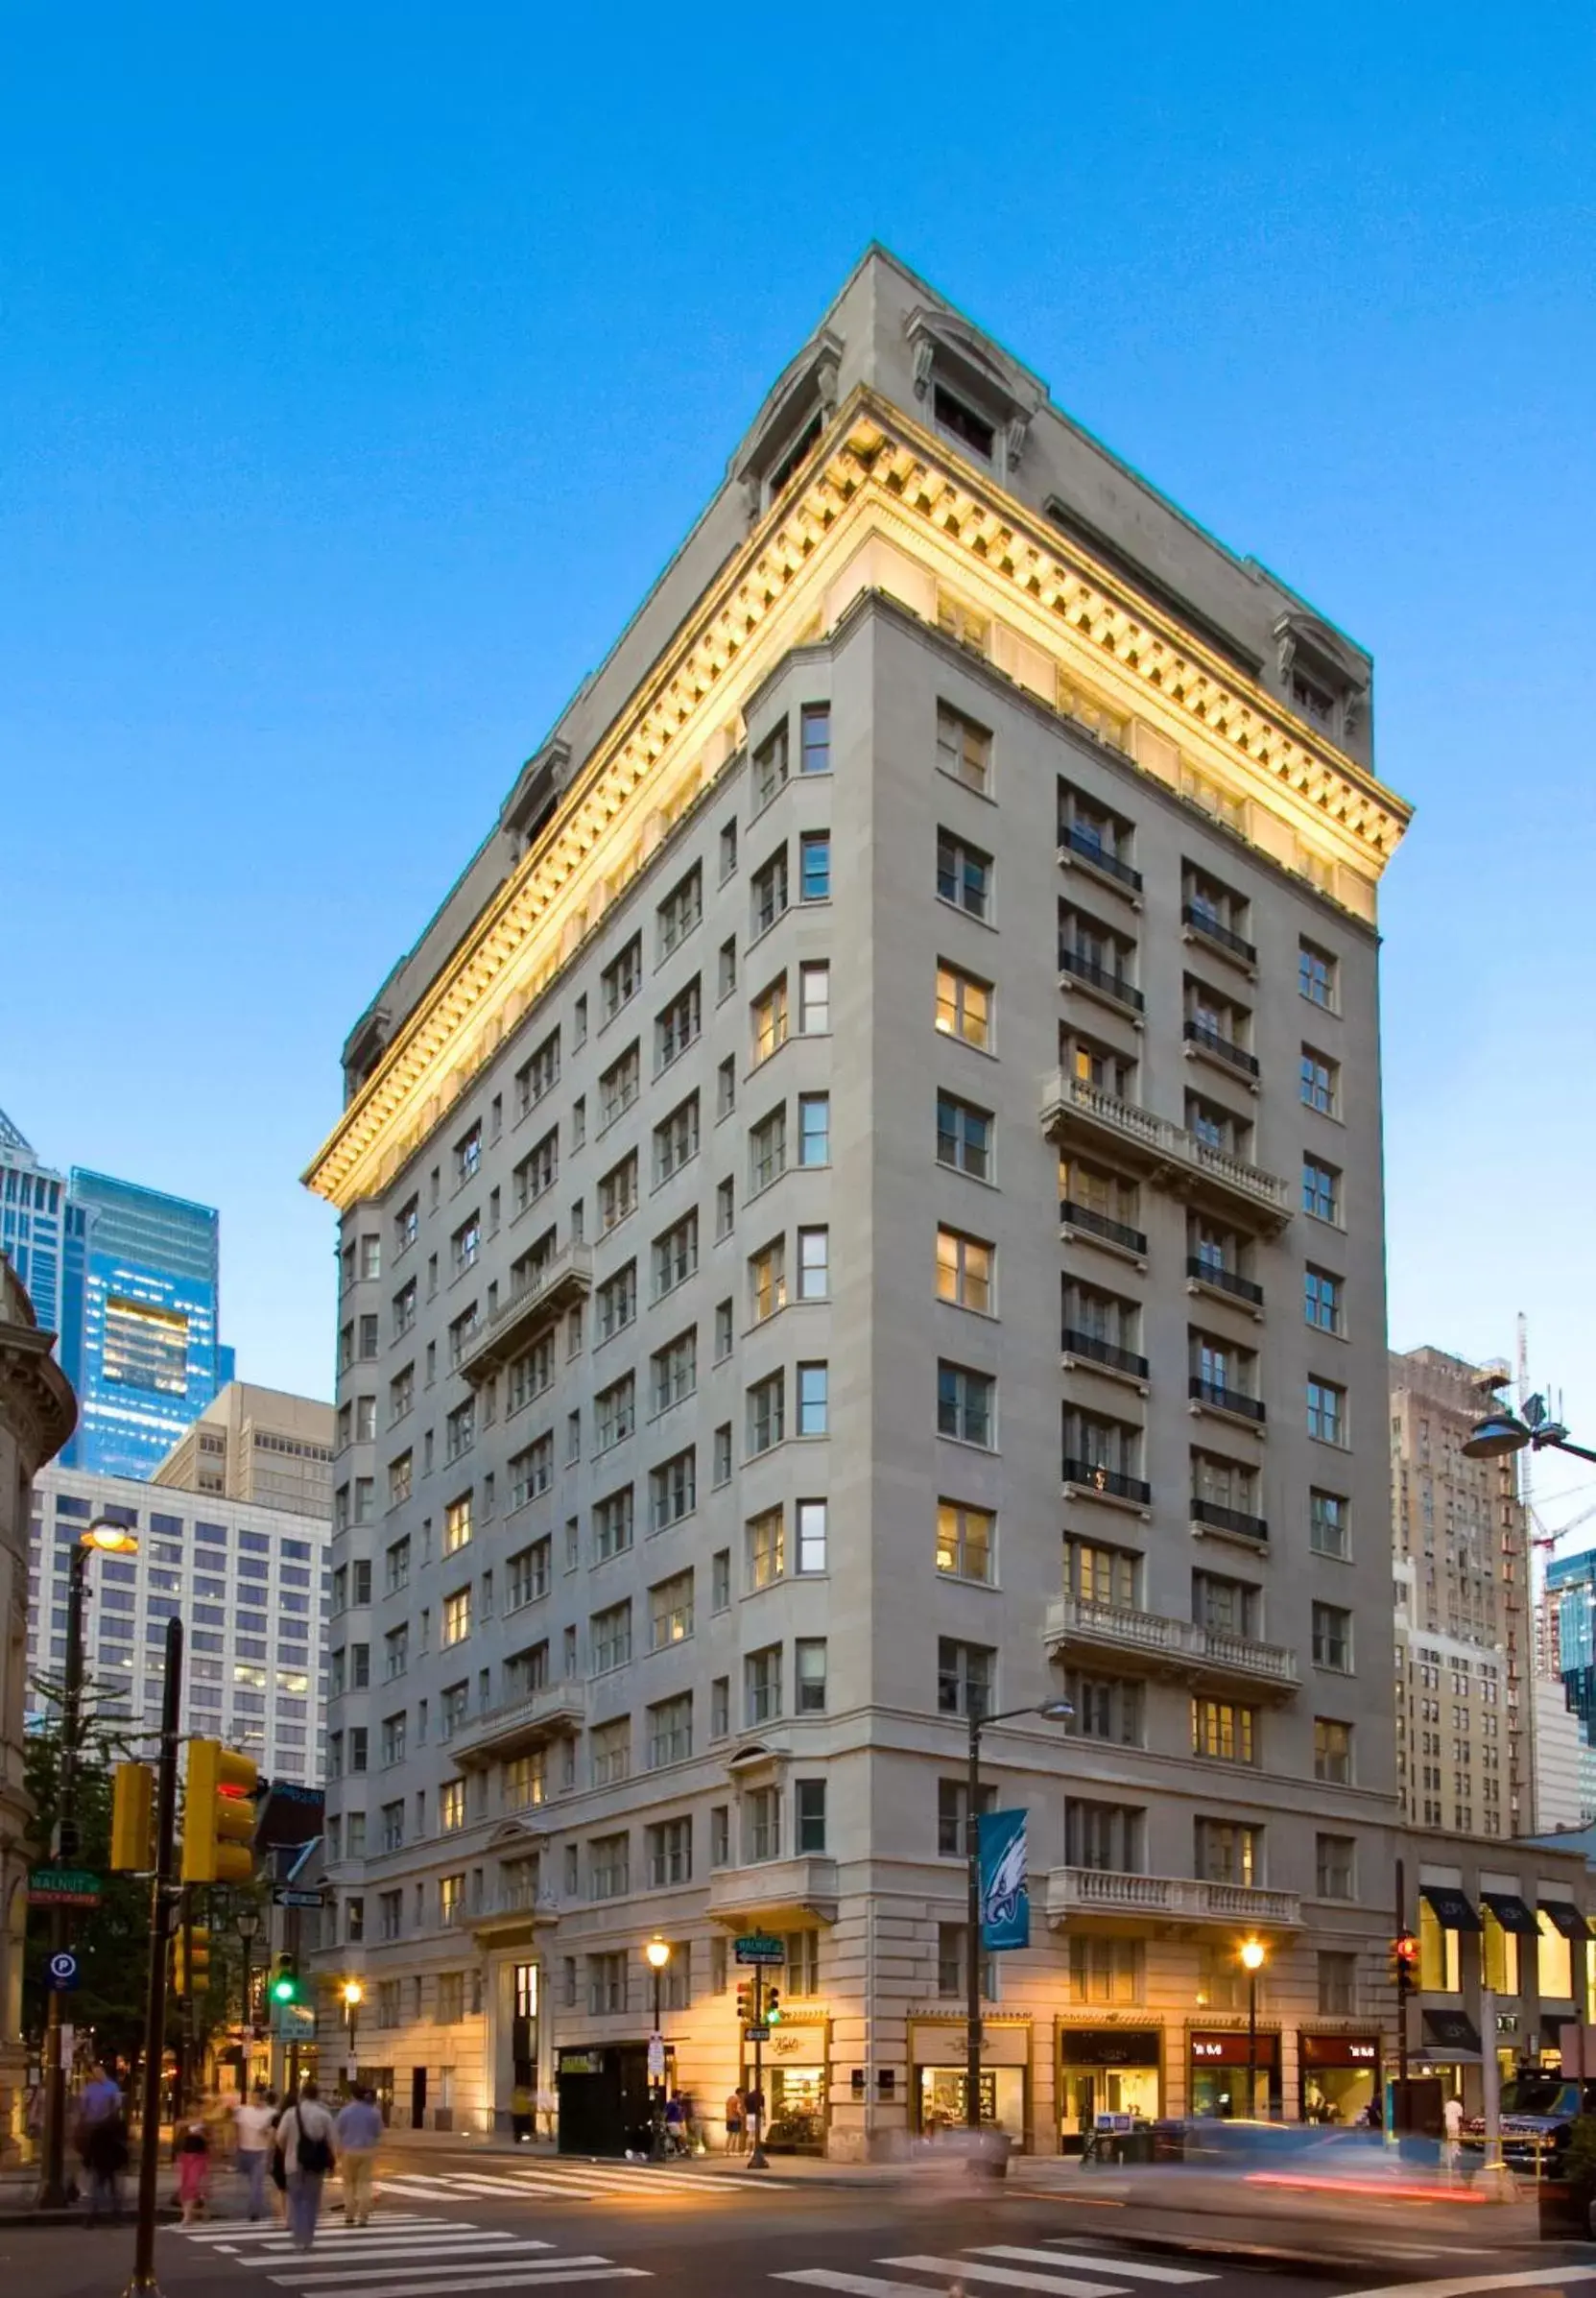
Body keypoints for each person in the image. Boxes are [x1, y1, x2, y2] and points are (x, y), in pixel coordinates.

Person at [277, 2081, 336, 2250]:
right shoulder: (324, 2115)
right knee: (312, 2200)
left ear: (302, 2095)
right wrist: (334, 2163)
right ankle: (307, 2238)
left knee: (295, 2199)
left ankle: (298, 2234)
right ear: (317, 2095)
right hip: (316, 2165)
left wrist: (287, 2151)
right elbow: (332, 2141)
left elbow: (280, 2138)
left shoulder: (290, 2113)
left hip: (293, 2163)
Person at [335, 2086, 383, 2227]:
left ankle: (349, 2214)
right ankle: (363, 2217)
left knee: (349, 2184)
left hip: (349, 2150)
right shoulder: (374, 2112)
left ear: (353, 2096)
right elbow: (378, 2132)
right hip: (367, 2150)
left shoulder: (345, 2111)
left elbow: (339, 2130)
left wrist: (338, 2149)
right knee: (365, 2184)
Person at [82, 2105, 129, 2223]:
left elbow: (90, 2149)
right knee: (113, 2190)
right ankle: (115, 2212)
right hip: (111, 2164)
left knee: (97, 2188)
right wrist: (123, 2162)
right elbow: (120, 2149)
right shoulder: (115, 2132)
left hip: (100, 2163)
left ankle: (94, 2213)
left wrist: (87, 2162)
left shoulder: (97, 2132)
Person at [235, 2086, 276, 2221]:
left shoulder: (271, 2113)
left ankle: (254, 2211)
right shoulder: (243, 2111)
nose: (256, 2100)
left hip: (261, 2151)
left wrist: (269, 2153)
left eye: (259, 2097)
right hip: (245, 2150)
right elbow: (237, 2129)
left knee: (256, 2183)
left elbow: (274, 2134)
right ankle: (255, 2205)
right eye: (254, 2097)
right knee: (251, 2181)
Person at [177, 2118, 211, 2224]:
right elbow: (178, 2132)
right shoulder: (185, 2124)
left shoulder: (205, 2123)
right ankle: (189, 2213)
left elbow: (209, 2140)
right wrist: (188, 2125)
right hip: (186, 2156)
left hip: (199, 2157)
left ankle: (187, 2216)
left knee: (192, 2185)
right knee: (184, 2187)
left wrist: (201, 2134)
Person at [510, 2081, 534, 2145]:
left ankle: (519, 2139)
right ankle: (518, 2139)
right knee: (519, 2128)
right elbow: (530, 2104)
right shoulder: (518, 2095)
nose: (521, 2089)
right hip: (520, 2114)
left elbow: (530, 2104)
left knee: (520, 2128)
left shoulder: (522, 2096)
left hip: (521, 2114)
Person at [724, 2087, 745, 2155]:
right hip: (735, 2119)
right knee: (735, 2135)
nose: (744, 2095)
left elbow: (727, 2108)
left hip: (729, 2119)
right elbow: (738, 2109)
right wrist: (742, 2114)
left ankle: (726, 2151)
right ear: (740, 2093)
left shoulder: (729, 2098)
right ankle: (733, 2151)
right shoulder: (738, 2099)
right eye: (743, 2093)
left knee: (729, 2135)